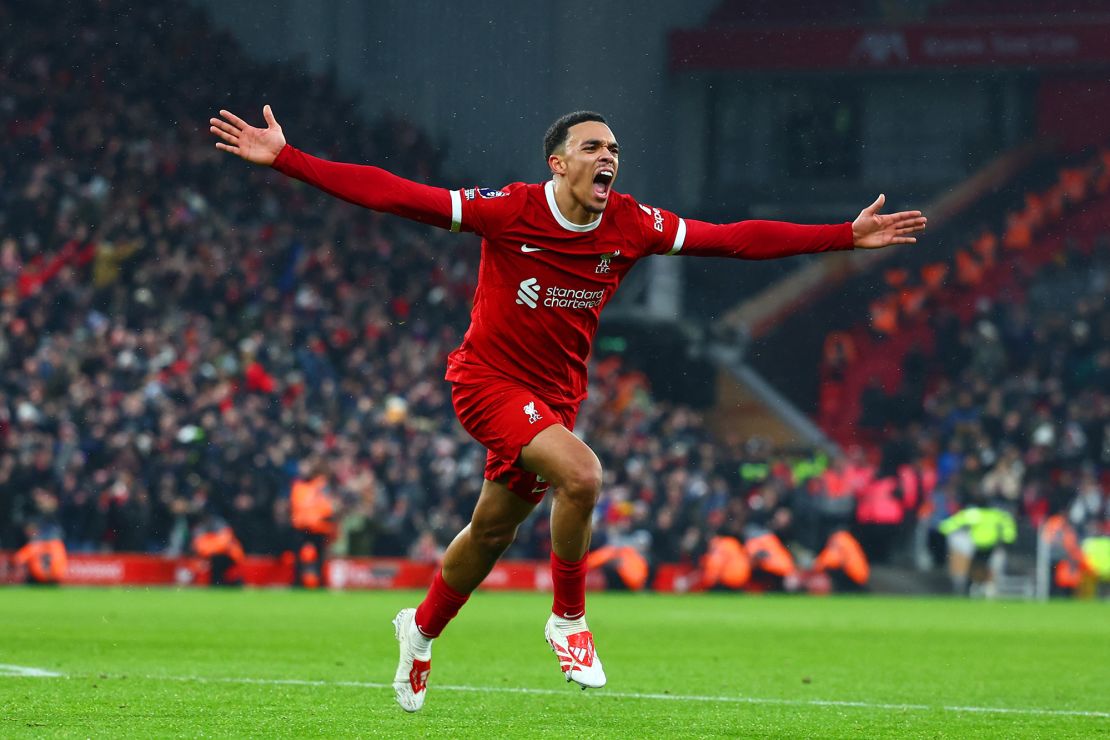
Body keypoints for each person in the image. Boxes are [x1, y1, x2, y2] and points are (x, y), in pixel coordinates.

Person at [209, 105, 926, 712]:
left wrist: (842, 236)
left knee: (489, 533)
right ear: (558, 164)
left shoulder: (630, 225)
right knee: (583, 476)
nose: (608, 156)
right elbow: (399, 195)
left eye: (614, 148)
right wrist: (289, 159)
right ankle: (568, 619)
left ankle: (419, 632)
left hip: (554, 399)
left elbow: (732, 239)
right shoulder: (509, 210)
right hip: (486, 381)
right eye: (592, 146)